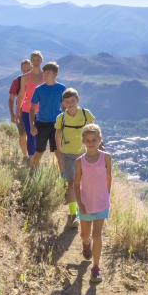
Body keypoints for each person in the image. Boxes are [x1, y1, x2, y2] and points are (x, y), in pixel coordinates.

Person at [73, 123, 111, 283]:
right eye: (87, 140)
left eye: (94, 139)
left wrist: (107, 196)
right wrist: (80, 204)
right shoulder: (79, 161)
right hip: (85, 203)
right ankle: (85, 243)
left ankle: (96, 268)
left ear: (99, 139)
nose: (91, 143)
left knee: (97, 235)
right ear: (83, 141)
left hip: (101, 202)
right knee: (85, 234)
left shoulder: (106, 157)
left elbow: (109, 178)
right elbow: (76, 184)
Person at [56, 88, 94, 227]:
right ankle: (74, 215)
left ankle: (84, 210)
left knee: (83, 184)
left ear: (77, 100)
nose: (70, 104)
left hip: (83, 154)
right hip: (67, 155)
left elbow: (93, 131)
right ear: (63, 104)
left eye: (73, 101)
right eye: (67, 102)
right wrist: (58, 152)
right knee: (72, 184)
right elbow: (58, 135)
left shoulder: (86, 114)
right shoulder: (61, 118)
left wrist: (98, 147)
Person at [28, 61, 65, 175]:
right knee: (39, 152)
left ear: (55, 74)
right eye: (45, 72)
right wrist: (32, 126)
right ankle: (34, 174)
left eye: (48, 72)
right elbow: (32, 109)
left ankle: (63, 176)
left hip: (56, 125)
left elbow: (65, 109)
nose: (45, 74)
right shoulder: (39, 89)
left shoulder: (62, 88)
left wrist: (65, 125)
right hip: (41, 124)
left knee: (58, 152)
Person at [8, 51, 44, 163]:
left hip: (42, 111)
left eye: (38, 60)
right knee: (29, 134)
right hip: (27, 110)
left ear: (41, 61)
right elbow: (20, 96)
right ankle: (31, 159)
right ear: (31, 61)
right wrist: (16, 111)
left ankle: (36, 158)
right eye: (34, 60)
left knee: (39, 136)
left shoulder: (46, 76)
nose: (36, 62)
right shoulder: (23, 78)